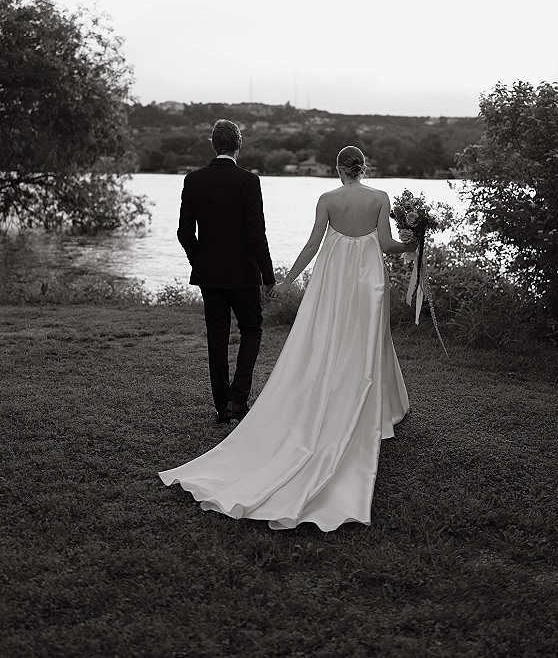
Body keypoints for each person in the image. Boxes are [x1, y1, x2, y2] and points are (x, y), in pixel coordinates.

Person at [160, 146, 417, 531]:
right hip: (369, 282)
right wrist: (413, 243)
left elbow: (314, 246)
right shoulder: (380, 198)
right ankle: (374, 407)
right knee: (370, 339)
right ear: (363, 168)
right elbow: (385, 245)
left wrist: (289, 279)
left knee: (332, 338)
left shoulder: (327, 199)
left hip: (333, 282)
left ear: (337, 168)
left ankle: (351, 396)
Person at [176, 119, 275, 424]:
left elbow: (184, 233)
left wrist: (199, 260)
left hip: (210, 274)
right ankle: (238, 397)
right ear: (238, 145)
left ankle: (222, 407)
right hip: (244, 274)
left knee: (216, 338)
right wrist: (268, 276)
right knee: (252, 329)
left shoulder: (193, 180)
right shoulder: (248, 181)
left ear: (213, 143)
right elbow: (256, 234)